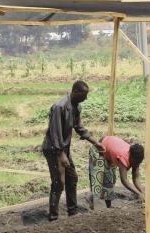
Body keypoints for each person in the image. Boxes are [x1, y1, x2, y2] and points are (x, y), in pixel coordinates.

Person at [41, 80, 104, 221]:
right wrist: (61, 154)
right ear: (75, 92)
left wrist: (96, 142)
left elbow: (78, 127)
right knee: (59, 182)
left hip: (64, 149)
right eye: (83, 95)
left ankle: (72, 212)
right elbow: (55, 132)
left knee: (72, 178)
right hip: (53, 149)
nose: (85, 99)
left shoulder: (76, 107)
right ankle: (53, 217)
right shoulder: (59, 107)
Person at [88, 136, 144, 209]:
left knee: (110, 180)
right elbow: (124, 180)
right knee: (97, 179)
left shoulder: (136, 158)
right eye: (135, 162)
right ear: (131, 157)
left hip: (109, 152)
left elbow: (135, 178)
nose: (136, 165)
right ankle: (92, 203)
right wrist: (138, 193)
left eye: (138, 163)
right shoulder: (124, 157)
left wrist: (142, 192)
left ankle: (109, 207)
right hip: (99, 149)